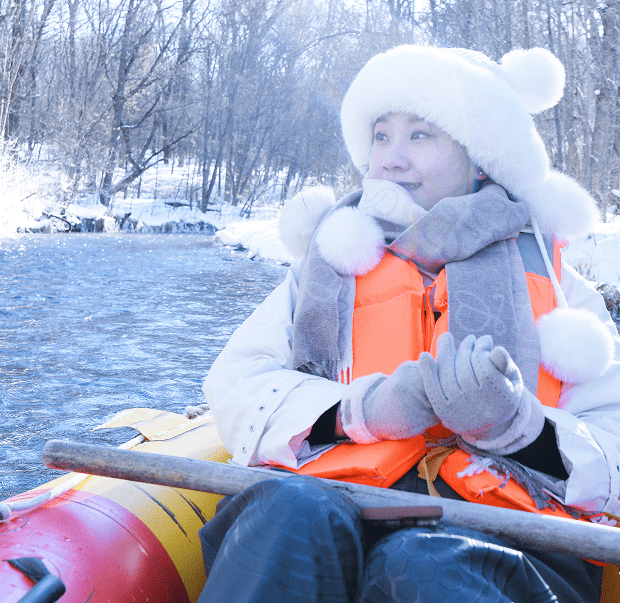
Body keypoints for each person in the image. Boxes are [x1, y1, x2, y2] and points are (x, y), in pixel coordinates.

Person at [199, 45, 620, 603]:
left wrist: (518, 429)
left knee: (424, 563)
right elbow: (235, 385)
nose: (391, 160)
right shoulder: (324, 267)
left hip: (507, 536)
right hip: (338, 498)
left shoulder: (557, 282)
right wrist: (360, 412)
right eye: (381, 136)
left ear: (479, 158)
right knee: (290, 513)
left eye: (420, 135)